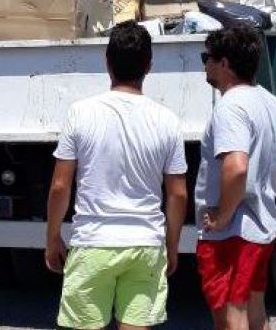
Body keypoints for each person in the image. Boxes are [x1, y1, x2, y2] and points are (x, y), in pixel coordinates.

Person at [45, 21, 189, 330]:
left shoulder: (80, 113)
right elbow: (177, 193)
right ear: (148, 66)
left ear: (107, 62)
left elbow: (60, 185)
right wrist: (172, 245)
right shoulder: (167, 120)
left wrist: (53, 237)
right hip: (145, 244)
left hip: (92, 242)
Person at [195, 26, 276, 330]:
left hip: (232, 237)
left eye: (206, 58)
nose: (205, 64)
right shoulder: (270, 101)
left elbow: (237, 166)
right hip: (260, 230)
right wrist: (268, 190)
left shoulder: (231, 106)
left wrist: (223, 217)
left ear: (224, 63)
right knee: (255, 311)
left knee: (231, 317)